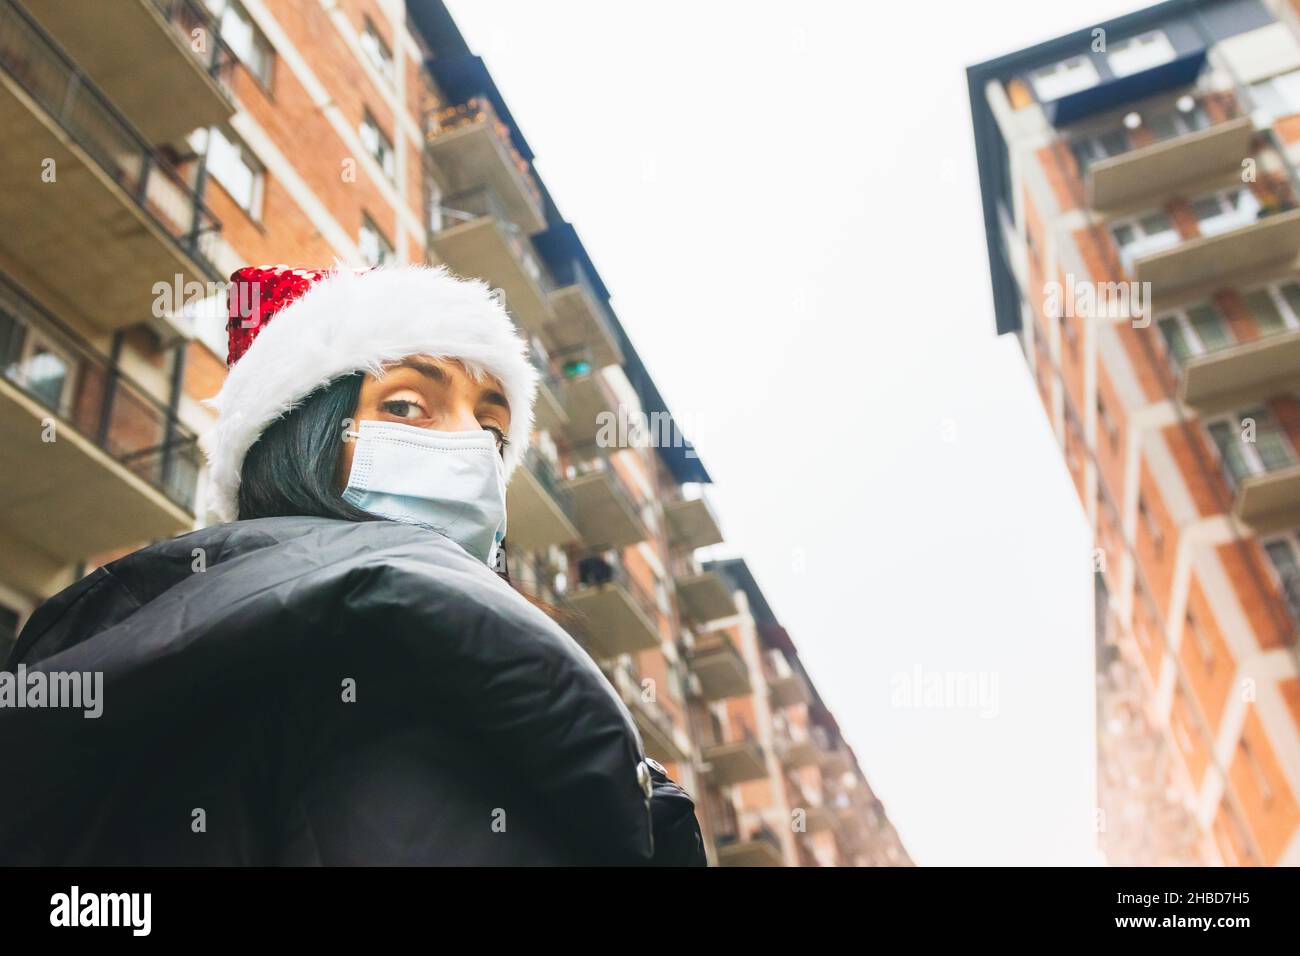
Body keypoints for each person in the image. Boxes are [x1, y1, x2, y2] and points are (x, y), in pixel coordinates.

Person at [0, 263, 706, 866]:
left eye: (492, 430)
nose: (471, 449)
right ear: (299, 440)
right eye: (406, 404)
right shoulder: (366, 662)